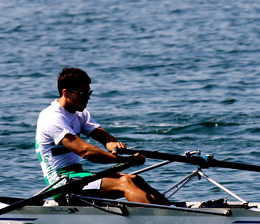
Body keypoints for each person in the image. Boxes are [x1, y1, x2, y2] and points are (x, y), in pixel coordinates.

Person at [35, 67, 170, 205]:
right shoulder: (51, 117)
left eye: (89, 92)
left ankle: (170, 210)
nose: (88, 97)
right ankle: (162, 219)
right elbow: (85, 151)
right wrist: (125, 159)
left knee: (136, 179)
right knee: (125, 182)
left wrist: (115, 146)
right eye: (83, 93)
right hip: (60, 184)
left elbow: (104, 137)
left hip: (78, 176)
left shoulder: (80, 114)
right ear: (66, 93)